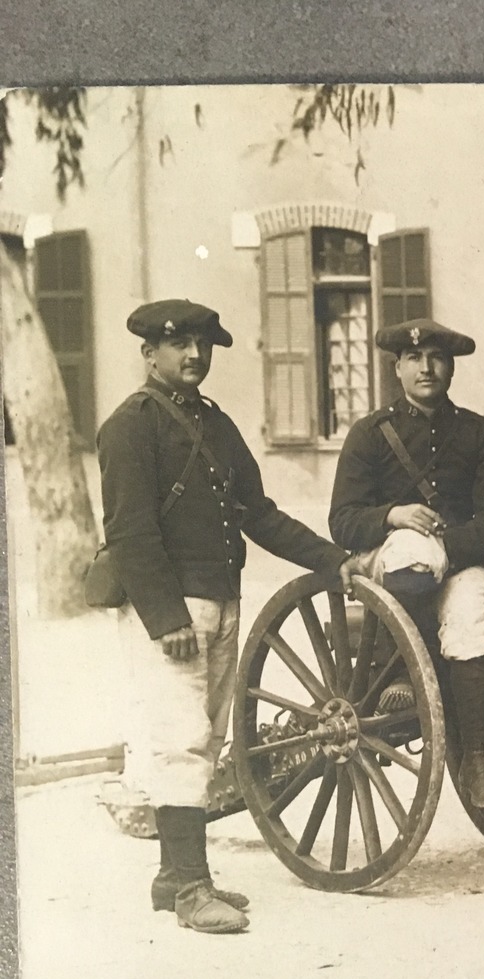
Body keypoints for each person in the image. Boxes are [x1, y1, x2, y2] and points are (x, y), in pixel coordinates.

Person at [97, 299, 357, 934]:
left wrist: (332, 560)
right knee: (181, 737)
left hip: (223, 599)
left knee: (209, 737)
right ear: (149, 353)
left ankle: (172, 876)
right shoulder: (129, 426)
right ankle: (190, 887)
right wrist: (165, 618)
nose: (194, 357)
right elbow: (130, 533)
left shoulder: (215, 424)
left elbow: (258, 513)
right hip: (171, 609)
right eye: (180, 345)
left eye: (203, 346)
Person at [328, 318, 484, 813]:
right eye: (414, 359)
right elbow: (342, 523)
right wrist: (392, 515)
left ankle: (475, 759)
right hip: (392, 559)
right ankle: (399, 676)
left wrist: (449, 548)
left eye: (436, 359)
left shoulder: (477, 432)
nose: (426, 368)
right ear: (397, 368)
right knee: (412, 551)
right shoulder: (369, 434)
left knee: (475, 607)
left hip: (459, 558)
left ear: (450, 367)